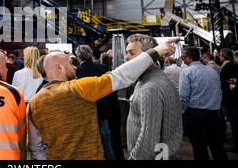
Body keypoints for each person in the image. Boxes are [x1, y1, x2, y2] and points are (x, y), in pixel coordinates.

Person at [27, 41, 175, 160]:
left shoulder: (34, 102)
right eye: (70, 64)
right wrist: (156, 52)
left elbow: (35, 147)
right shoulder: (78, 87)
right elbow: (121, 76)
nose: (74, 68)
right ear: (59, 67)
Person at [124, 35, 182, 160]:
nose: (126, 57)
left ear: (149, 56)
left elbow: (149, 140)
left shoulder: (150, 88)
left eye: (131, 53)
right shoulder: (148, 81)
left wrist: (134, 158)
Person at [179, 46, 228, 160]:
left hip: (196, 114)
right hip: (215, 113)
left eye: (183, 57)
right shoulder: (212, 70)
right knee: (217, 146)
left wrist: (182, 112)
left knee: (199, 147)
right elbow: (219, 92)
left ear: (189, 58)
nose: (182, 59)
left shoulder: (186, 71)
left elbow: (183, 97)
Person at [75, 45, 122, 160]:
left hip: (87, 112)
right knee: (107, 144)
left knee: (89, 145)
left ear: (78, 57)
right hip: (103, 111)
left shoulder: (78, 71)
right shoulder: (103, 67)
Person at [219, 48, 238, 153]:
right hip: (231, 98)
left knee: (234, 123)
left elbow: (229, 83)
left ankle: (236, 145)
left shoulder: (227, 67)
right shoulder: (230, 65)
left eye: (221, 55)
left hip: (231, 99)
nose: (219, 57)